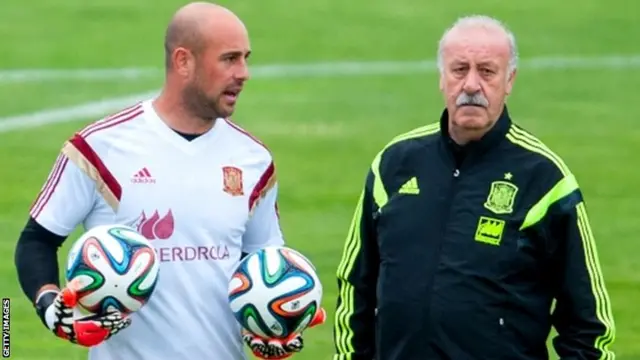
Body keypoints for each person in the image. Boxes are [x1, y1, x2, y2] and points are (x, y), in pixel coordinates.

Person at [14, 2, 324, 359]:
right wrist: (51, 306)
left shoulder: (254, 160)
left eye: (246, 58)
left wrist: (268, 330)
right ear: (183, 61)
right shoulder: (99, 148)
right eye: (229, 59)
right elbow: (36, 241)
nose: (244, 73)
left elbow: (263, 267)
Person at [332, 15, 615, 360]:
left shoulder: (544, 179)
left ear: (509, 80)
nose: (470, 85)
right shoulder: (394, 165)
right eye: (459, 69)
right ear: (441, 78)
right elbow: (354, 287)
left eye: (486, 71)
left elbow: (589, 326)